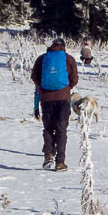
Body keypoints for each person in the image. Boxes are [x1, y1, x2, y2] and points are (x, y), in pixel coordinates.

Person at [31, 38, 79, 171]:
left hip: (46, 99)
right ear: (63, 47)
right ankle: (60, 162)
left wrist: (43, 88)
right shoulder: (68, 59)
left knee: (48, 127)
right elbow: (74, 79)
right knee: (61, 129)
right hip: (63, 98)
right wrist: (66, 88)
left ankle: (48, 154)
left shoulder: (42, 58)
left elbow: (34, 77)